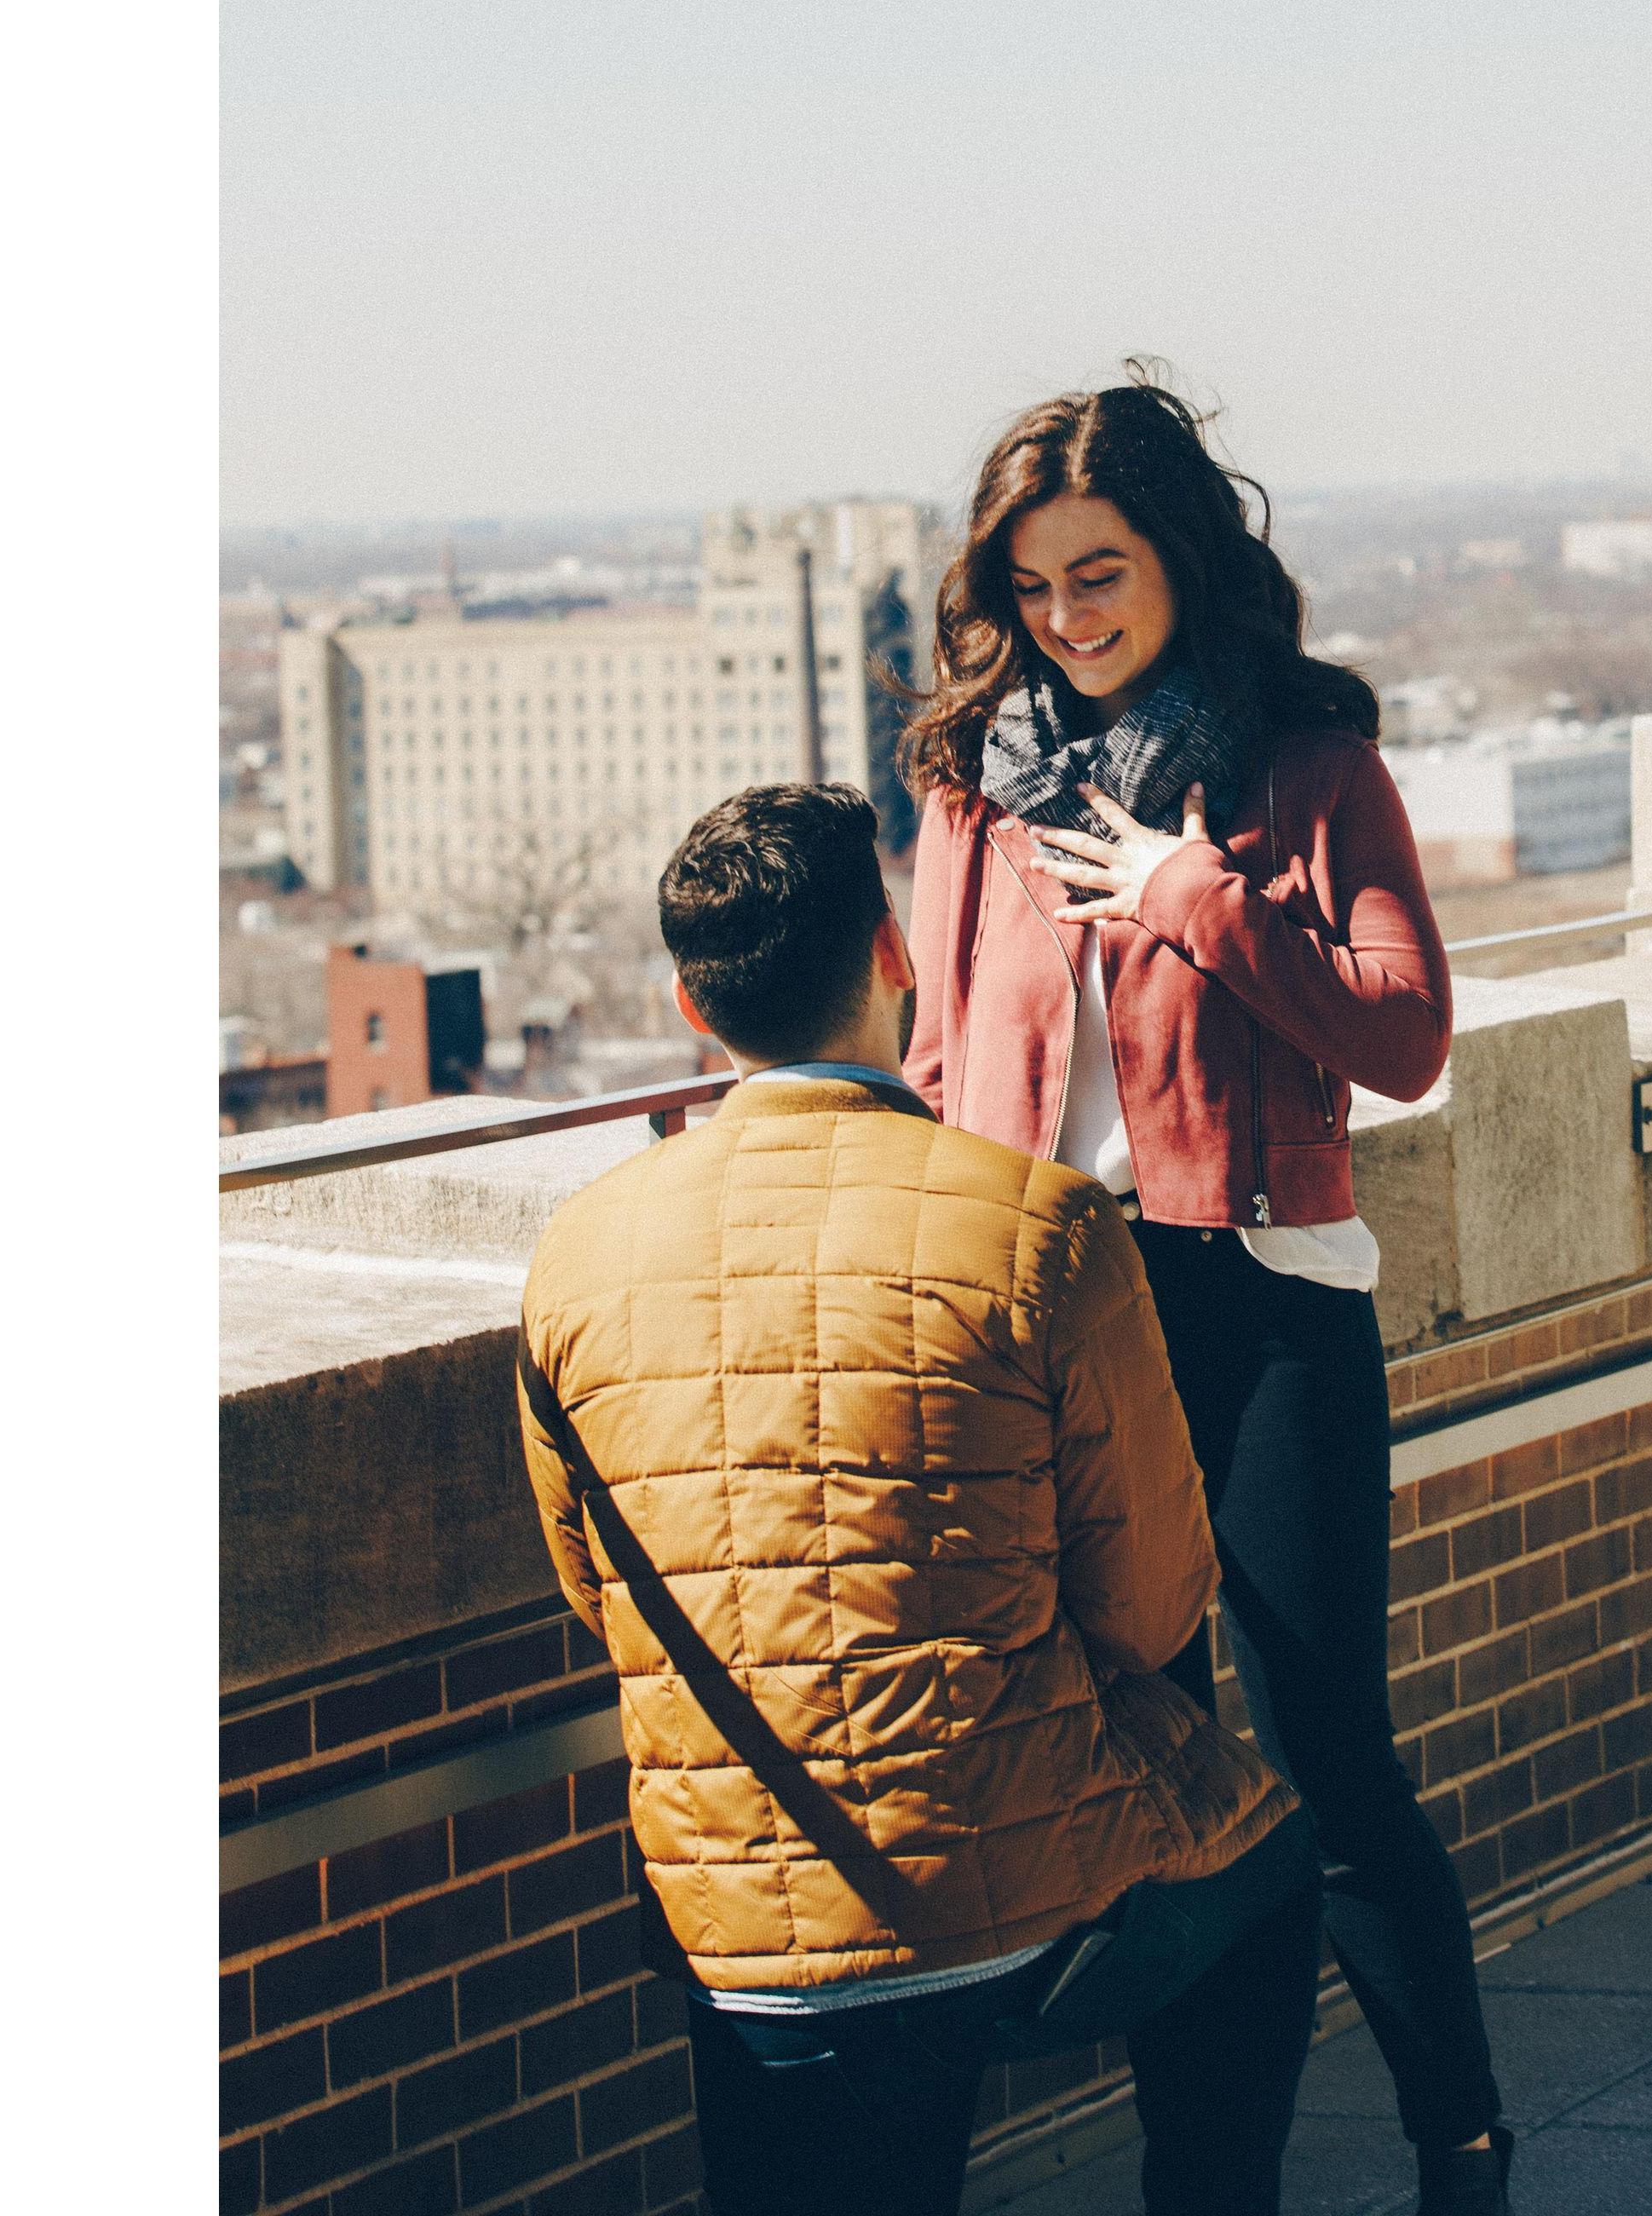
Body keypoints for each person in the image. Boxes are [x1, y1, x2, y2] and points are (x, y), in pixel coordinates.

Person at [517, 781, 1321, 2216]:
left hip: (732, 1911)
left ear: (695, 1011)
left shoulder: (579, 1252)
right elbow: (1154, 1605)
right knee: (1265, 1866)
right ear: (894, 957)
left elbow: (598, 1584)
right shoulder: (1039, 1223)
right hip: (995, 1890)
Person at [901, 369, 1514, 2209]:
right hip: (1055, 1314)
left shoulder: (1303, 766)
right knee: (1152, 1784)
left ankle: (1460, 2142)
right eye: (1034, 589)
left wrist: (1193, 891)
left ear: (1179, 556)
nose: (1068, 620)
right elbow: (943, 1068)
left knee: (1329, 1767)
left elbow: (1405, 1035)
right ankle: (1210, 2184)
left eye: (1102, 573)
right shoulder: (972, 796)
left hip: (1256, 1312)